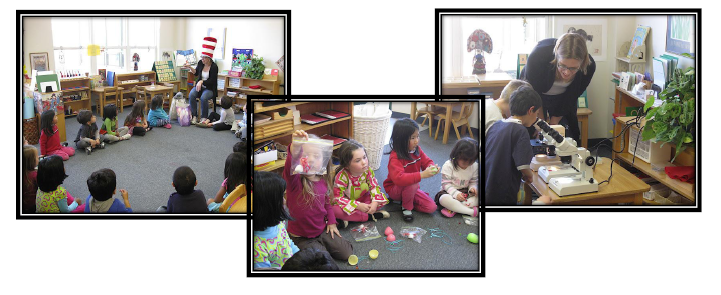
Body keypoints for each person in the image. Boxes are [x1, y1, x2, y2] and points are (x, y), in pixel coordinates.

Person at [284, 130, 353, 261]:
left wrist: (332, 222)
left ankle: (322, 245)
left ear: (323, 161)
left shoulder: (323, 181)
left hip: (321, 230)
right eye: (305, 155)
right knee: (324, 262)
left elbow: (327, 204)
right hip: (301, 236)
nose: (310, 159)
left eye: (316, 156)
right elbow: (289, 166)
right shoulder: (294, 181)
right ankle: (319, 249)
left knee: (347, 253)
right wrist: (296, 147)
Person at [521, 33, 596, 143]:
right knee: (532, 135)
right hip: (534, 95)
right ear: (556, 56)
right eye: (562, 65)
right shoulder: (538, 55)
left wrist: (553, 124)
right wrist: (541, 125)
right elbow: (533, 92)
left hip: (563, 99)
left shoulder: (589, 66)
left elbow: (572, 96)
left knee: (565, 136)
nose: (567, 72)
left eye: (573, 68)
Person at [484, 86, 541, 205]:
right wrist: (530, 176)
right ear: (531, 110)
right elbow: (523, 166)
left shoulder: (497, 124)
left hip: (488, 182)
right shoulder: (520, 131)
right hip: (504, 188)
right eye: (537, 113)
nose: (537, 117)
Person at [383, 118, 440, 222]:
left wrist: (432, 167)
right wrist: (421, 175)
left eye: (418, 136)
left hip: (412, 188)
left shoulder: (417, 149)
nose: (416, 140)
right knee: (412, 183)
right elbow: (399, 179)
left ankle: (405, 201)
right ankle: (406, 208)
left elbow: (427, 161)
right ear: (401, 139)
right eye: (413, 137)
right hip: (394, 189)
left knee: (432, 207)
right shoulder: (395, 157)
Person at [333, 139, 389, 228]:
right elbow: (337, 198)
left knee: (381, 198)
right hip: (350, 202)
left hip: (364, 200)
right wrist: (358, 205)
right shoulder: (341, 177)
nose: (364, 162)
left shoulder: (368, 170)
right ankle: (369, 217)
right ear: (347, 165)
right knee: (335, 210)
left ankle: (351, 218)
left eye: (364, 157)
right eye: (358, 160)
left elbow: (374, 186)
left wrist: (374, 203)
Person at [253, 171, 300, 270]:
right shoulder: (257, 248)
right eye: (281, 197)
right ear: (267, 207)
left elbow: (288, 242)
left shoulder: (278, 222)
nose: (284, 200)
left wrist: (301, 256)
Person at [436, 137, 480, 217]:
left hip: (466, 192)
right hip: (449, 192)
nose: (468, 165)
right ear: (456, 156)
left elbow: (473, 182)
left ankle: (454, 208)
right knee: (443, 199)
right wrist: (456, 194)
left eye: (471, 161)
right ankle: (470, 211)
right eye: (464, 162)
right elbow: (445, 184)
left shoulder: (475, 166)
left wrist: (473, 189)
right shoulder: (448, 165)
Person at [183, 37, 219, 125]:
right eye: (201, 57)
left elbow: (212, 81)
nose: (202, 59)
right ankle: (194, 116)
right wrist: (190, 67)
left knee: (204, 97)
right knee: (191, 94)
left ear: (209, 58)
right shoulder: (200, 63)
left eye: (204, 58)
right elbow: (196, 73)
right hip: (200, 87)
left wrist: (202, 81)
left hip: (210, 89)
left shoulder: (214, 67)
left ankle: (204, 117)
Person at [22, 146, 39, 214]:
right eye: (37, 156)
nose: (38, 158)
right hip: (33, 205)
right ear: (31, 161)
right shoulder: (34, 175)